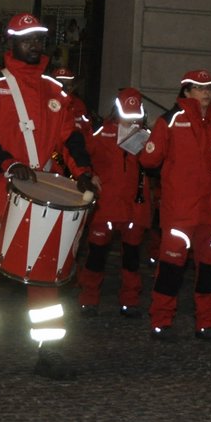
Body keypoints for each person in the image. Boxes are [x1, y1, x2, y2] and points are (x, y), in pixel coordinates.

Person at [0, 13, 97, 382]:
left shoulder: (55, 90)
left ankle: (48, 352)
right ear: (12, 43)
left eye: (39, 38)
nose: (35, 44)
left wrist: (83, 172)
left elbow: (70, 139)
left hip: (39, 198)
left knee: (46, 276)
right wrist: (8, 164)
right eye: (27, 38)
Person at [138, 68, 211, 341]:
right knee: (170, 268)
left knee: (210, 270)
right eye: (200, 88)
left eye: (209, 88)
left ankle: (206, 322)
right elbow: (149, 161)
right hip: (180, 211)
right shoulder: (170, 120)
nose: (206, 93)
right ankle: (161, 319)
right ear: (187, 91)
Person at [80, 88, 151, 317]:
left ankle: (130, 300)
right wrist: (89, 175)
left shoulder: (147, 137)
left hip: (134, 208)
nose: (131, 120)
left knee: (131, 257)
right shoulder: (101, 133)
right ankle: (89, 298)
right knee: (96, 255)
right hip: (106, 206)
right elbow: (81, 156)